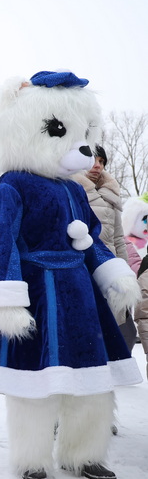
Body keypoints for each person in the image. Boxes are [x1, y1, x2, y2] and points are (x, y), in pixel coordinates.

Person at [71, 144, 136, 350]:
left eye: (102, 161)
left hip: (110, 270)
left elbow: (118, 239)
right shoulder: (70, 189)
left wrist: (124, 274)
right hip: (83, 268)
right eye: (93, 160)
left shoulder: (110, 194)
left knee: (116, 328)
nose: (98, 166)